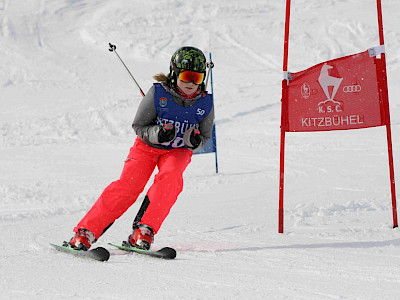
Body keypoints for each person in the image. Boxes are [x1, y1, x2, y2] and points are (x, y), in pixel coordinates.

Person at [66, 46, 214, 251]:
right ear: (174, 73)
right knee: (128, 186)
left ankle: (144, 231)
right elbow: (139, 125)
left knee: (170, 181)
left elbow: (205, 135)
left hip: (178, 151)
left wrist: (195, 141)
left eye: (196, 78)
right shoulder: (158, 93)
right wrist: (158, 134)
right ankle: (86, 232)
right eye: (186, 76)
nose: (191, 83)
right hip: (147, 147)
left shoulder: (205, 103)